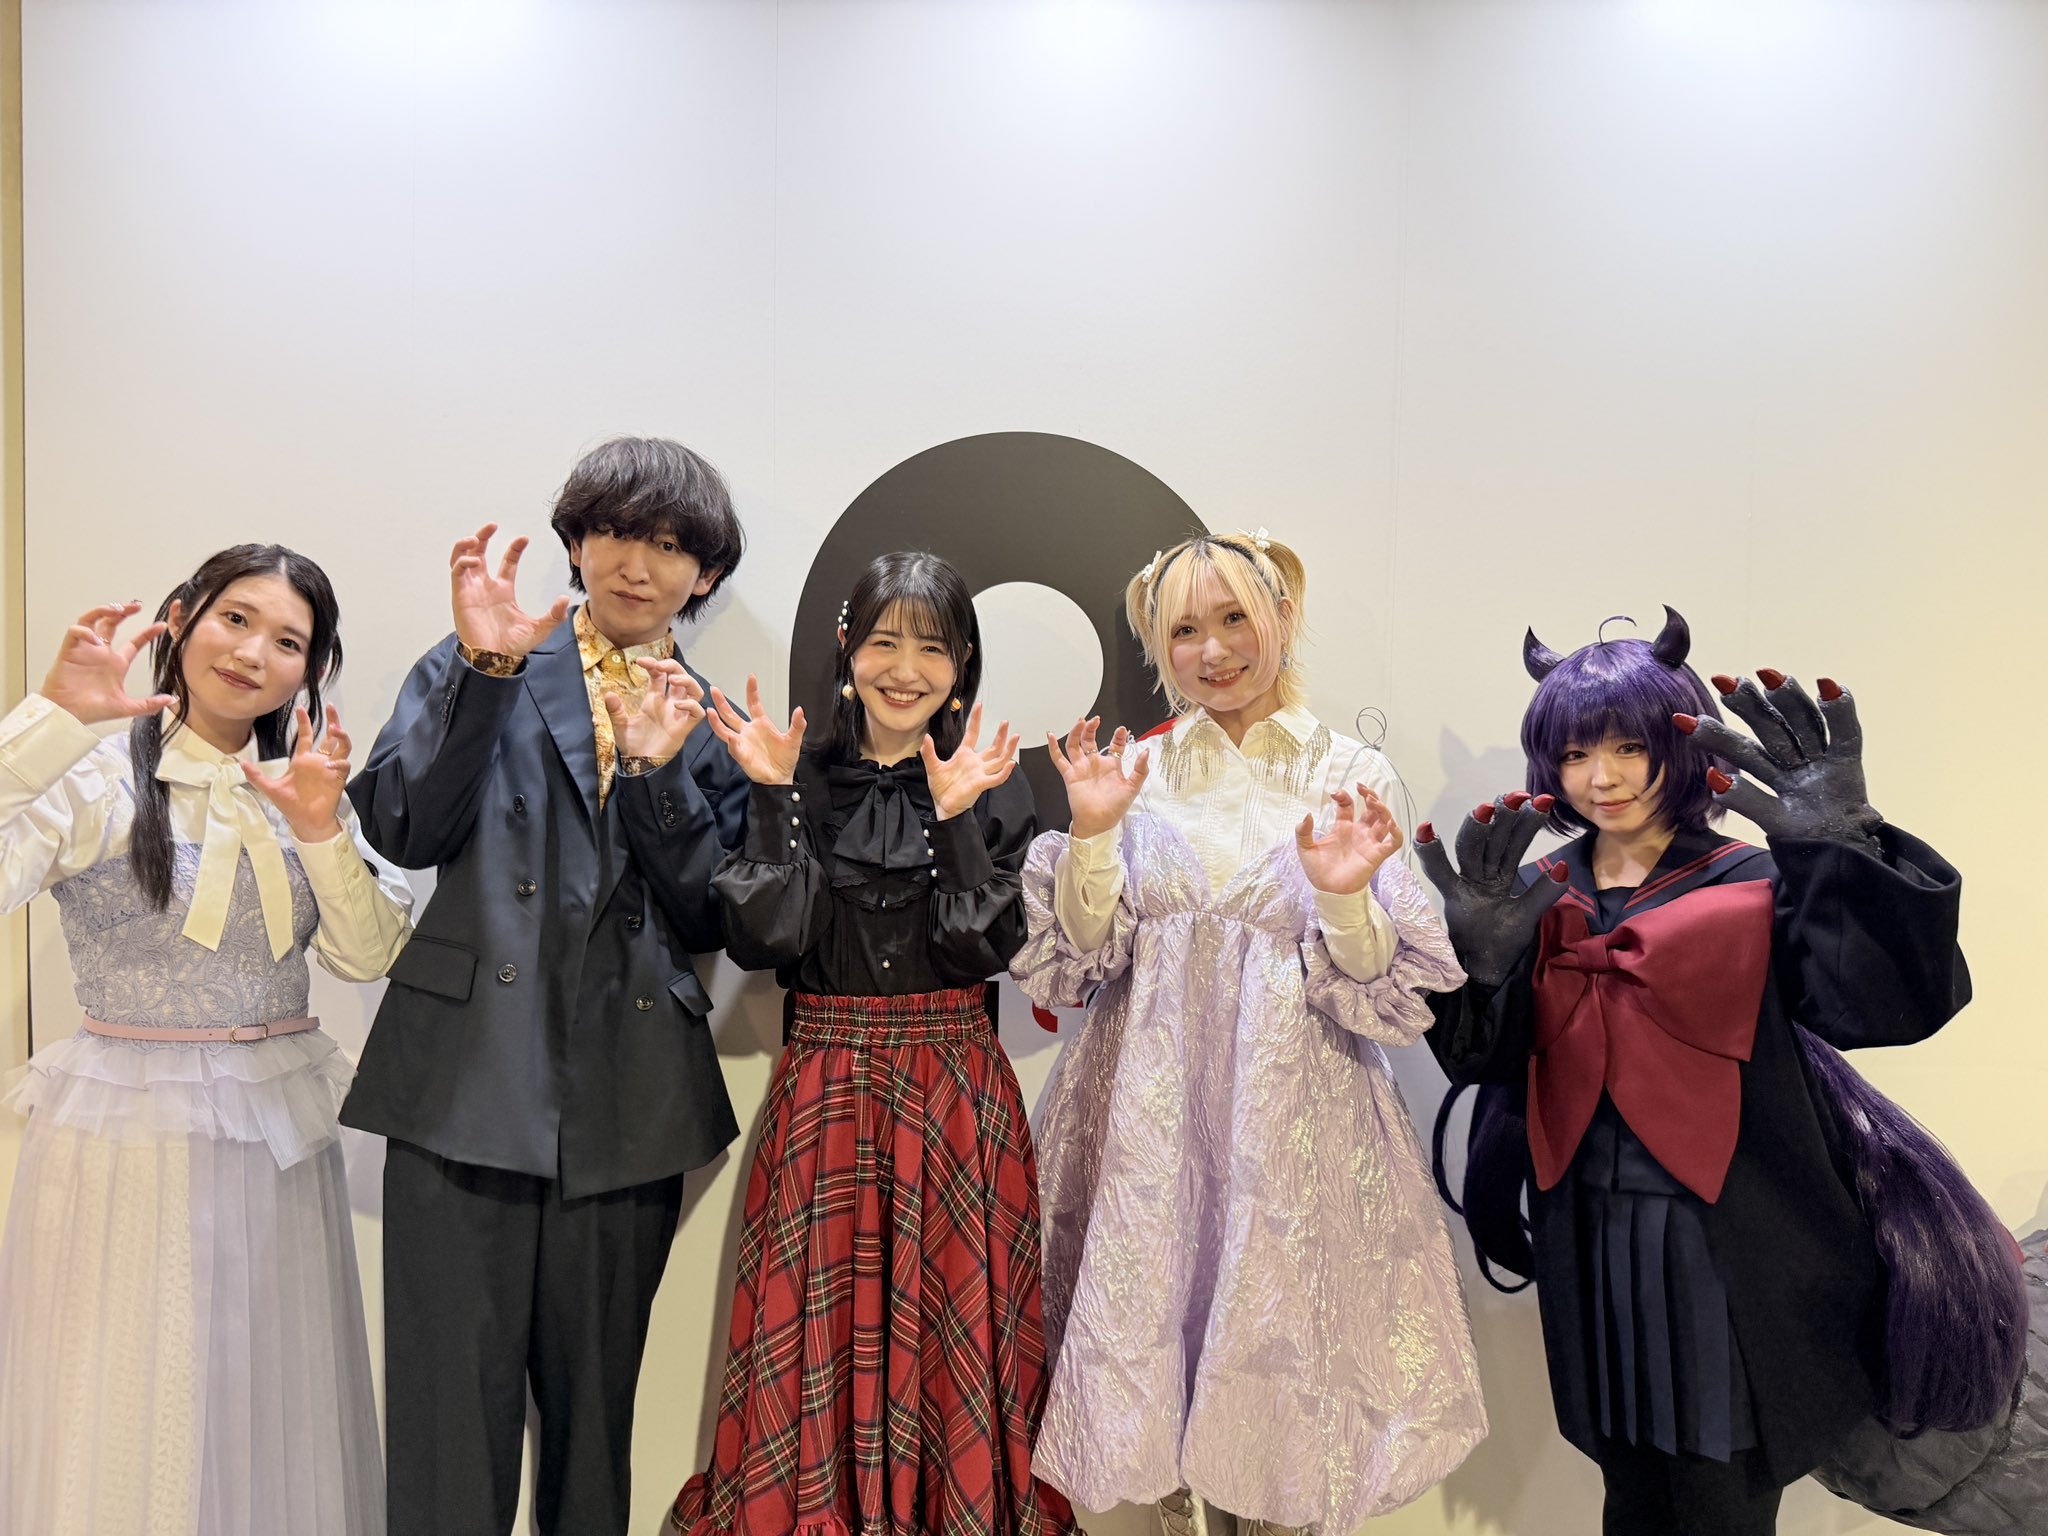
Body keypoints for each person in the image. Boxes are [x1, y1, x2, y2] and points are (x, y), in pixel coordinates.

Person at [1419, 609, 1981, 1535]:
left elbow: (1881, 1007)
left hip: (1733, 1240)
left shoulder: (1755, 880)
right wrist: (1475, 963)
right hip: (1589, 1232)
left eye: (1629, 747)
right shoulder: (1530, 894)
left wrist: (1840, 851)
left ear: (1678, 745)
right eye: (1574, 754)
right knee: (1629, 1478)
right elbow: (1487, 1060)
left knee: (1720, 1484)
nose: (1601, 778)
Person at [1011, 530, 1485, 1536]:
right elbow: (1082, 959)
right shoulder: (1136, 771)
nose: (1214, 651)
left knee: (1284, 1398)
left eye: (1235, 620)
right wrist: (1091, 835)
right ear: (1158, 646)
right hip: (1151, 1126)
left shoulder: (1345, 768)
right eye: (1185, 631)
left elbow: (1380, 988)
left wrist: (1344, 896)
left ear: (1281, 618)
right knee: (1160, 1392)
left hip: (1295, 1126)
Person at [344, 436, 750, 1536]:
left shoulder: (710, 717)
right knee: (445, 1424)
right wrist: (484, 678)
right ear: (576, 542)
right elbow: (402, 826)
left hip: (627, 1102)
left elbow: (716, 918)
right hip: (463, 1081)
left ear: (705, 573)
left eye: (669, 545)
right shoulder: (484, 657)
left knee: (592, 1433)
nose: (636, 564)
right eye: (614, 531)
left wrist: (659, 772)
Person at [0, 545, 411, 1535]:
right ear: (181, 618)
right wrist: (50, 720)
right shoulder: (96, 778)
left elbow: (368, 954)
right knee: (127, 1390)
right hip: (128, 1134)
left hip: (277, 1134)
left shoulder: (303, 790)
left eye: (288, 642)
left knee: (269, 1396)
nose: (253, 653)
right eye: (235, 619)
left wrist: (320, 830)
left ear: (309, 672)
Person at [670, 550, 1073, 1536]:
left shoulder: (995, 782)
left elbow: (983, 949)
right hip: (826, 1085)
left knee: (958, 1324)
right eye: (885, 641)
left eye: (931, 648)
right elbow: (769, 940)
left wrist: (957, 818)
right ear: (847, 647)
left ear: (962, 664)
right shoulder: (794, 770)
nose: (905, 669)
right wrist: (773, 795)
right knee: (811, 1321)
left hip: (957, 1089)